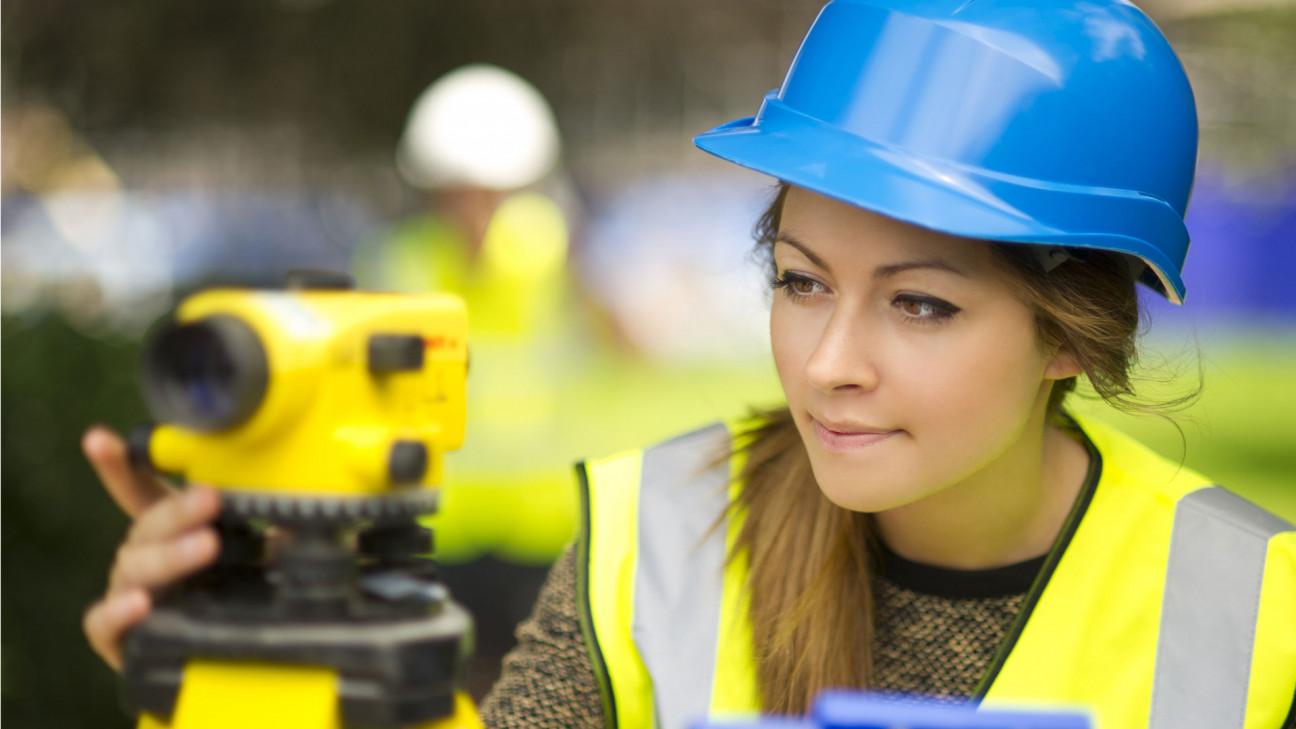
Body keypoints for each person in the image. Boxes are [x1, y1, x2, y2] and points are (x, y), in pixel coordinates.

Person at [83, 2, 1296, 729]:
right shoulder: (648, 540)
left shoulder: (1263, 611)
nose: (827, 364)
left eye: (920, 306)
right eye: (801, 280)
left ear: (1072, 334)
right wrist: (252, 678)